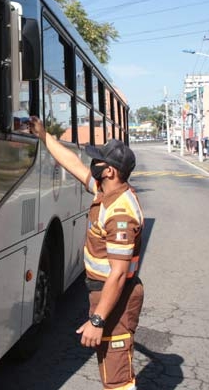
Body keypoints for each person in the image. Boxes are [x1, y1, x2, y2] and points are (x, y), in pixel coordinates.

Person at [28, 116, 144, 390]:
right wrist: (45, 136)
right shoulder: (105, 192)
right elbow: (74, 165)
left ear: (111, 171)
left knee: (118, 377)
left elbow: (117, 275)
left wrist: (97, 319)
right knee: (110, 366)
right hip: (105, 294)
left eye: (99, 162)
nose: (93, 165)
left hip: (115, 297)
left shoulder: (120, 214)